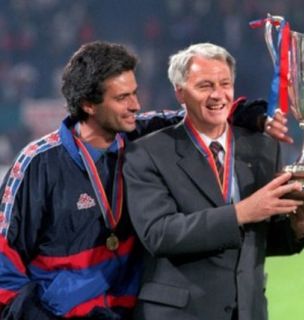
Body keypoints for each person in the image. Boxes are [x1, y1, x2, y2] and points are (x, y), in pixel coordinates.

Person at [0, 41, 288, 319]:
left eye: (135, 93)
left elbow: (199, 111)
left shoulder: (140, 135)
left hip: (127, 312)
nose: (136, 105)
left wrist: (257, 116)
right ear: (88, 104)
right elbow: (4, 260)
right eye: (122, 98)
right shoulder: (38, 164)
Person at [123, 42, 304, 320]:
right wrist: (240, 213)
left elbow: (257, 241)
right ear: (180, 93)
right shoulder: (147, 152)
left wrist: (297, 226)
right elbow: (159, 234)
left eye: (225, 83)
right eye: (204, 86)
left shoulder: (262, 148)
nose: (218, 95)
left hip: (248, 311)